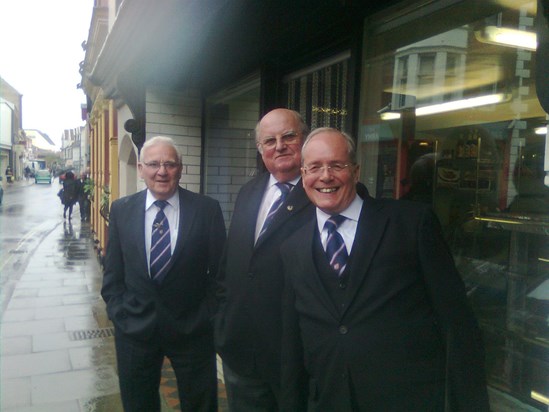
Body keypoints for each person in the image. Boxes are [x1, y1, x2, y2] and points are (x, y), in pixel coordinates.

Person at [279, 128, 490, 411]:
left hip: (408, 400)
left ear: (355, 171)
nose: (325, 176)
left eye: (336, 165)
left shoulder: (411, 223)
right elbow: (292, 345)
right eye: (314, 167)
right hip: (330, 400)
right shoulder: (292, 247)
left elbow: (457, 323)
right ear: (303, 175)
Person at [102, 136, 226, 412]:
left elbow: (221, 274)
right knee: (138, 404)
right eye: (154, 164)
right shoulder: (121, 210)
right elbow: (113, 272)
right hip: (135, 328)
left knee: (201, 404)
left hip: (192, 330)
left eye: (170, 164)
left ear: (180, 169)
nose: (162, 171)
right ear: (141, 169)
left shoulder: (207, 210)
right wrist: (119, 312)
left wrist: (208, 316)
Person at [214, 108, 313, 411]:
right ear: (260, 150)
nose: (279, 146)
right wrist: (222, 324)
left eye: (289, 136)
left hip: (296, 356)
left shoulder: (324, 192)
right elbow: (231, 263)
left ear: (305, 139)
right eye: (269, 141)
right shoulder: (249, 191)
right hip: (241, 351)